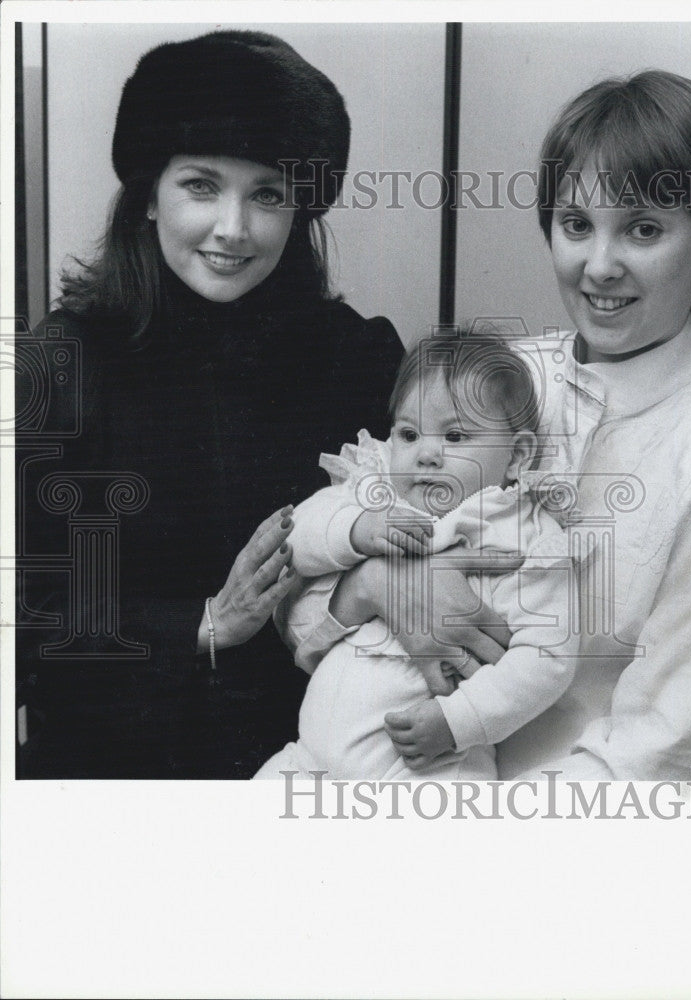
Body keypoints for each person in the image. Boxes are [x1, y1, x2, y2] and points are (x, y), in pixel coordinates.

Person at [280, 70, 691, 781]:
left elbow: (648, 767)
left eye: (643, 229)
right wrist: (377, 586)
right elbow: (301, 613)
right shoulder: (489, 384)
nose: (599, 266)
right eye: (576, 225)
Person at [15, 31, 403, 778]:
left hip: (307, 763)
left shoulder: (356, 359)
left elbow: (409, 528)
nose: (234, 228)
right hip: (107, 770)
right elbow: (23, 611)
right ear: (149, 196)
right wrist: (201, 624)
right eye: (201, 185)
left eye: (267, 194)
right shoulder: (56, 368)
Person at [255, 333, 579, 780]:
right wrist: (357, 529)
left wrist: (457, 722)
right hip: (309, 759)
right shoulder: (378, 495)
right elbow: (298, 536)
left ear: (516, 456)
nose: (425, 454)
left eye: (455, 435)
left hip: (430, 766)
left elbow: (547, 658)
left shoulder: (522, 536)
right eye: (408, 434)